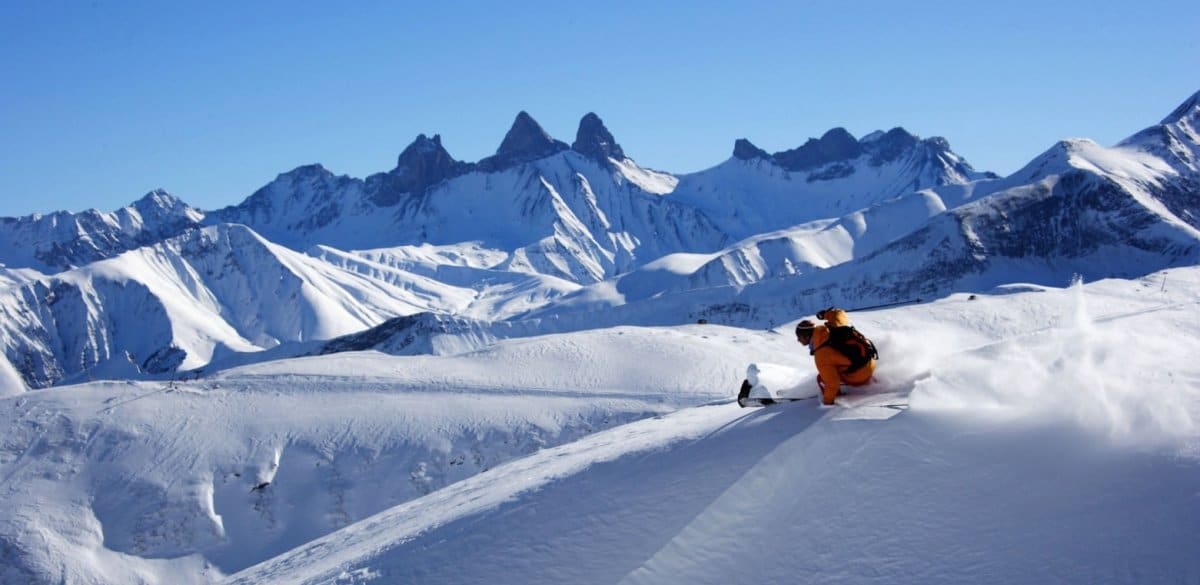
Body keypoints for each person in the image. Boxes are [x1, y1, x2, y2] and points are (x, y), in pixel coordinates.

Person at [794, 308, 877, 405]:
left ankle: (837, 399)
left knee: (821, 378)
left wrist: (827, 402)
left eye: (799, 337)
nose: (798, 340)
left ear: (807, 337)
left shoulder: (821, 355)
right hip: (870, 362)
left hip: (860, 375)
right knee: (839, 365)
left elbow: (833, 383)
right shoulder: (833, 326)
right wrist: (825, 314)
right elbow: (839, 313)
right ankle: (871, 382)